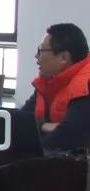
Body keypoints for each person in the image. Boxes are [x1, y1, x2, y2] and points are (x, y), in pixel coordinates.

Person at [21, 22, 90, 151]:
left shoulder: (85, 85)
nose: (36, 56)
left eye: (41, 51)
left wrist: (30, 144)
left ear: (63, 58)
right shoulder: (48, 82)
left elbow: (70, 136)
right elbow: (20, 121)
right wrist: (43, 125)